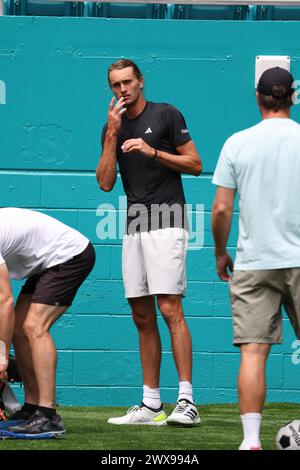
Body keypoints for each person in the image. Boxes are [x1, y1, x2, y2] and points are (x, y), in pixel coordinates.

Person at [96, 59, 202, 426]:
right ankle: (151, 405)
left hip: (168, 219)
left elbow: (195, 164)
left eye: (127, 82)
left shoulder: (167, 114)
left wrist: (152, 150)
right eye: (115, 85)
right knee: (141, 315)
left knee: (170, 308)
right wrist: (111, 136)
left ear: (140, 81)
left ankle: (187, 401)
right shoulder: (113, 126)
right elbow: (106, 182)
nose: (122, 89)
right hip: (134, 224)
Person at [211, 67, 300, 450]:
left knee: (252, 352)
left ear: (257, 96)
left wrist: (219, 252)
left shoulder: (237, 143)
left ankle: (250, 442)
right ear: (292, 96)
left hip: (253, 261)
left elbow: (220, 210)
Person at [0, 208, 95, 438]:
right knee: (20, 331)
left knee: (34, 326)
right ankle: (32, 409)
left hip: (71, 255)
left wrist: (1, 356)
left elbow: (4, 300)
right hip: (48, 260)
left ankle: (49, 415)